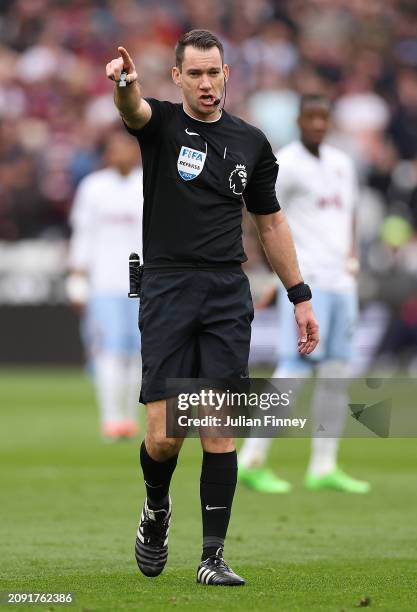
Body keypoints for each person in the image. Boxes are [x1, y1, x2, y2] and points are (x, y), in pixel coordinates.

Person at [106, 30, 319, 586]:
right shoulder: (162, 127)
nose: (206, 82)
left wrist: (299, 295)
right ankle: (156, 512)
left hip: (227, 291)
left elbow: (270, 222)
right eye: (195, 73)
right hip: (168, 288)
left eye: (214, 72)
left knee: (219, 427)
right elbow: (131, 110)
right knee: (163, 436)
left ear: (227, 74)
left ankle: (213, 557)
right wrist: (126, 86)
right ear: (177, 78)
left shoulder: (251, 142)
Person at [238, 94, 370, 494]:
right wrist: (268, 273)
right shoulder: (287, 164)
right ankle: (251, 458)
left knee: (337, 372)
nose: (317, 124)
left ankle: (324, 466)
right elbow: (261, 216)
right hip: (307, 283)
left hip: (341, 283)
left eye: (323, 117)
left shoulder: (342, 164)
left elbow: (350, 214)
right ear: (298, 120)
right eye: (310, 117)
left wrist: (351, 254)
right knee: (292, 370)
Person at [68, 131, 143, 441]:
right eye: (114, 150)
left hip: (141, 277)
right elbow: (82, 232)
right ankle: (111, 419)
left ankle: (131, 416)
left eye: (126, 149)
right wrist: (77, 276)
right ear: (107, 154)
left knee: (140, 352)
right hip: (105, 280)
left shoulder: (149, 183)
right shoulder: (93, 187)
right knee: (109, 350)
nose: (120, 155)